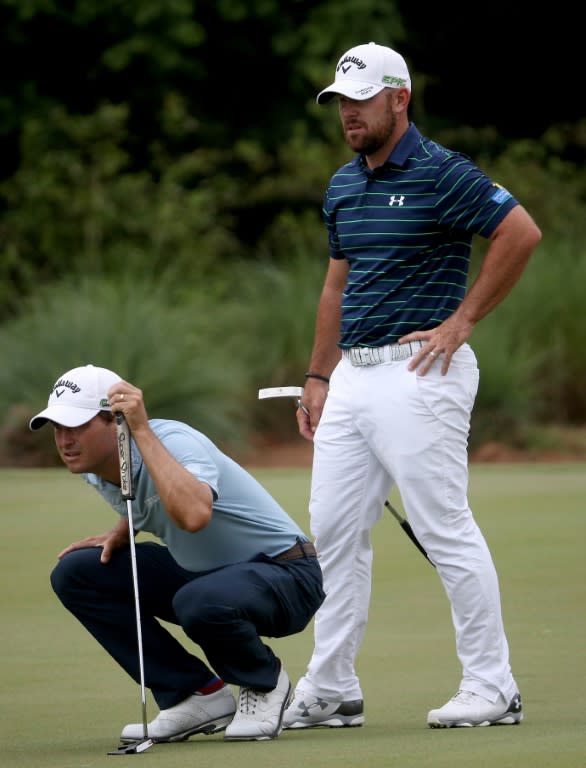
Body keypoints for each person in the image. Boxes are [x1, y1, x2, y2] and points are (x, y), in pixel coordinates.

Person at [282, 42, 542, 730]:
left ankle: (494, 686)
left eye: (362, 99)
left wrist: (463, 319)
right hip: (354, 380)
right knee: (332, 531)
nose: (349, 114)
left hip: (422, 371)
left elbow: (520, 232)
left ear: (400, 98)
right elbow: (336, 285)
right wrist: (317, 374)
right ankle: (333, 685)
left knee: (442, 525)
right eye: (341, 102)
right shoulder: (342, 185)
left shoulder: (441, 171)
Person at [30, 364, 324, 743]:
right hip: (211, 579)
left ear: (116, 422)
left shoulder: (172, 440)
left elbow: (194, 514)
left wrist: (140, 429)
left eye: (77, 426)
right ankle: (193, 694)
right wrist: (123, 528)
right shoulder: (96, 467)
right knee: (78, 572)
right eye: (58, 428)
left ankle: (264, 682)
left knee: (198, 599)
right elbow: (148, 496)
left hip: (287, 573)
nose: (65, 440)